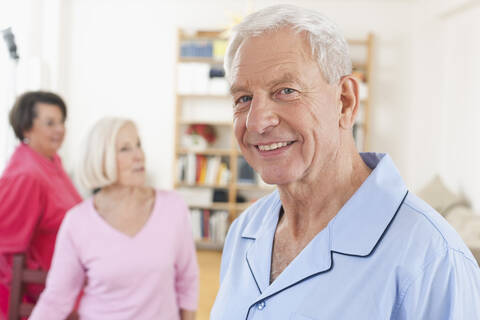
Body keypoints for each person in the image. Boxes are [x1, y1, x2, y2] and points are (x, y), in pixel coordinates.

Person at [211, 4, 480, 319]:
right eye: (243, 98)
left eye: (286, 90)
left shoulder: (431, 259)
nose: (257, 122)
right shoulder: (244, 230)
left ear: (345, 101)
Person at [30, 117, 198, 320]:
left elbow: (187, 283)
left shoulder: (173, 207)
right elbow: (56, 299)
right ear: (101, 158)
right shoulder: (77, 222)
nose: (139, 156)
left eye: (138, 145)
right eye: (125, 149)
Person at [0, 91, 82, 319]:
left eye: (61, 122)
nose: (60, 129)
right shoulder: (25, 176)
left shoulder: (51, 160)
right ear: (27, 128)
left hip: (67, 278)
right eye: (50, 123)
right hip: (41, 291)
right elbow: (5, 251)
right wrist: (45, 297)